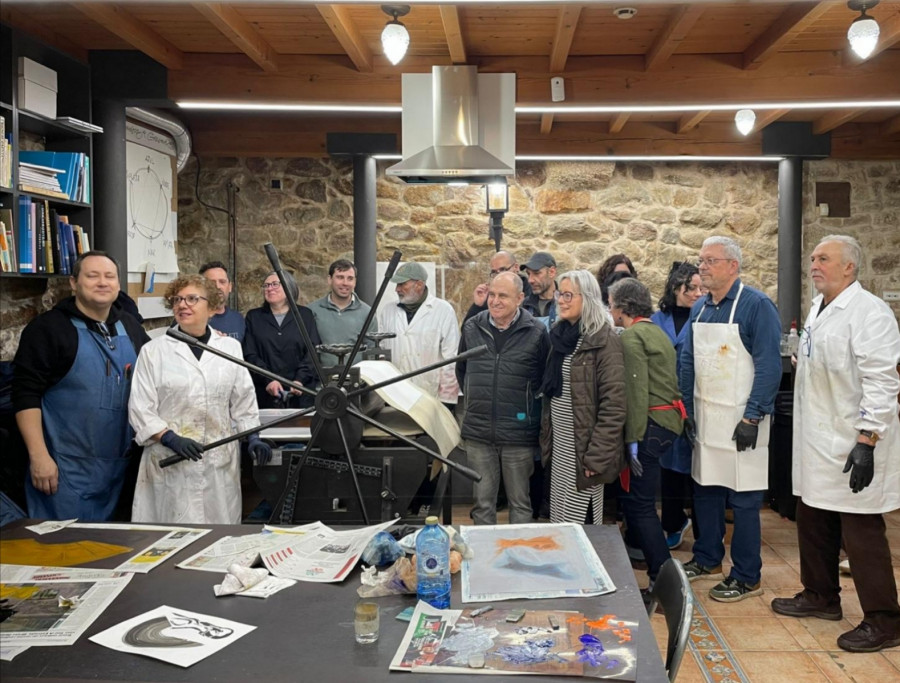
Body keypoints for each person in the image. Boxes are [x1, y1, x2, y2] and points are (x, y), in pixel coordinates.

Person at [771, 235, 900, 653]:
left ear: (850, 267)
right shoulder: (819, 309)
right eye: (812, 258)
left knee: (861, 529)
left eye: (823, 259)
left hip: (853, 439)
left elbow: (882, 382)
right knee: (812, 516)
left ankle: (884, 619)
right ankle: (821, 595)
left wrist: (867, 439)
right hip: (818, 442)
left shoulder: (870, 313)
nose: (814, 265)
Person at [679, 236, 782, 602]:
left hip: (743, 418)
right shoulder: (700, 309)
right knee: (705, 490)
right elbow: (688, 360)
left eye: (710, 260)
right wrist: (686, 411)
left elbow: (770, 364)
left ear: (733, 266)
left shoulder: (756, 306)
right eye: (701, 260)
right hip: (707, 417)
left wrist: (753, 416)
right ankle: (707, 559)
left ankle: (746, 575)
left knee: (744, 499)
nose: (701, 267)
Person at [13, 251, 150, 521]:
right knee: (62, 552)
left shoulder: (130, 327)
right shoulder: (48, 329)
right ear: (74, 283)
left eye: (109, 276)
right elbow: (25, 394)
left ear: (118, 285)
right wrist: (39, 457)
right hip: (63, 471)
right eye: (92, 276)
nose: (102, 282)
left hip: (119, 470)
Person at [128, 274, 269, 524]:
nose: (183, 305)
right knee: (168, 539)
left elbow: (243, 401)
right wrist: (169, 438)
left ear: (212, 307)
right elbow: (140, 407)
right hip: (169, 462)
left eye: (192, 299)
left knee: (218, 536)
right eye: (178, 299)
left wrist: (253, 438)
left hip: (218, 462)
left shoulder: (229, 349)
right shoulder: (154, 351)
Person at [457, 272, 550, 525]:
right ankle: (485, 561)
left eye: (503, 296)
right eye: (492, 294)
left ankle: (519, 560)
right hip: (478, 430)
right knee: (482, 504)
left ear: (520, 298)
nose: (495, 301)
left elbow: (543, 378)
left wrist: (525, 410)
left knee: (520, 503)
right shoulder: (472, 326)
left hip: (519, 432)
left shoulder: (537, 332)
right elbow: (461, 370)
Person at [608, 277, 684, 586]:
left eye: (611, 304)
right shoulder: (656, 331)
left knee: (640, 506)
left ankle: (663, 578)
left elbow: (637, 393)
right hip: (667, 423)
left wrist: (632, 440)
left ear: (622, 307)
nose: (609, 309)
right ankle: (661, 573)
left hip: (650, 426)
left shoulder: (632, 336)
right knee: (640, 503)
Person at [540, 270, 627, 524]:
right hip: (563, 447)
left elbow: (614, 405)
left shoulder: (603, 339)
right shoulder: (561, 336)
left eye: (568, 295)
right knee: (561, 519)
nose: (561, 300)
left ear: (587, 298)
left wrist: (597, 457)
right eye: (559, 294)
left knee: (582, 523)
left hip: (586, 450)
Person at [651, 262, 704, 549]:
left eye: (700, 288)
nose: (697, 293)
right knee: (669, 467)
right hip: (664, 403)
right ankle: (672, 522)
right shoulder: (657, 319)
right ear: (675, 289)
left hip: (696, 401)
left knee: (699, 469)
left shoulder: (706, 317)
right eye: (690, 288)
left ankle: (705, 531)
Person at [377, 262, 460, 404]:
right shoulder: (388, 311)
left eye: (402, 284)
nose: (397, 289)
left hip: (429, 394)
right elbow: (382, 353)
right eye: (396, 285)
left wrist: (447, 400)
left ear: (419, 285)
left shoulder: (443, 310)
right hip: (395, 395)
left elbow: (451, 358)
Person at [243, 271, 321, 409]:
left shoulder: (305, 315)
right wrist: (269, 380)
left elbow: (313, 351)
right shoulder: (254, 317)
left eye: (274, 284)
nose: (269, 288)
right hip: (265, 393)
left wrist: (299, 380)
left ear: (289, 287)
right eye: (266, 285)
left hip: (301, 394)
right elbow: (250, 354)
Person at [310, 259, 376, 368]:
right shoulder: (312, 311)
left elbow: (371, 351)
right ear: (329, 279)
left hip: (357, 381)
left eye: (350, 278)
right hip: (322, 380)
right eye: (340, 277)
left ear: (355, 282)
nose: (345, 283)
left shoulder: (367, 313)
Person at [464, 250, 534, 322]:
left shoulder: (532, 294)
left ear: (516, 267)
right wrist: (478, 305)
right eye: (494, 272)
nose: (499, 275)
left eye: (503, 269)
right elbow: (468, 329)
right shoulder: (489, 296)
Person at [200, 261, 245, 341]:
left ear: (230, 287)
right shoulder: (191, 318)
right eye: (211, 283)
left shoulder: (238, 319)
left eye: (222, 282)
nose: (218, 286)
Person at [520, 251, 559, 329]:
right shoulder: (524, 306)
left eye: (536, 273)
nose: (530, 280)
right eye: (528, 274)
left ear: (552, 272)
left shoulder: (564, 304)